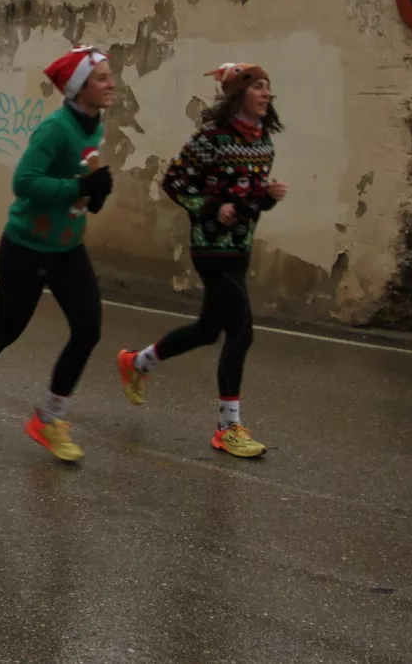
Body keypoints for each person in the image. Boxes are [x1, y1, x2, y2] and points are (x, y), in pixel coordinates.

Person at [0, 45, 116, 463]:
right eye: (102, 77)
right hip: (26, 245)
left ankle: (49, 419)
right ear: (79, 87)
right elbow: (25, 181)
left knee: (88, 329)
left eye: (109, 75)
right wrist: (78, 189)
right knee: (7, 329)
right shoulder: (55, 128)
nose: (111, 83)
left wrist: (94, 193)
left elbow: (78, 173)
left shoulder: (93, 124)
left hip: (67, 245)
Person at [116, 62, 287, 459]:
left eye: (268, 87)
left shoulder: (263, 140)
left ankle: (136, 363)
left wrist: (267, 196)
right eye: (257, 86)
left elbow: (247, 197)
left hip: (241, 246)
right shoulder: (209, 139)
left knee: (210, 329)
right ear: (237, 93)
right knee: (241, 330)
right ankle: (228, 426)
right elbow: (174, 183)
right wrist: (213, 209)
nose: (265, 94)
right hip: (210, 248)